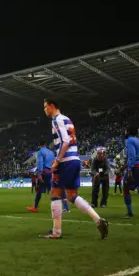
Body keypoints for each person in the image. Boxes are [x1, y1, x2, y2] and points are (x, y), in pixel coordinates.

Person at [40, 99, 108, 239]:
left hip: (66, 162)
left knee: (55, 193)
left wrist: (57, 160)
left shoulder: (56, 119)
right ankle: (98, 220)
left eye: (46, 107)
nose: (44, 110)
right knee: (71, 195)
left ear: (52, 106)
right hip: (75, 160)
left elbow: (65, 141)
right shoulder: (67, 119)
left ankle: (56, 232)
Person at [27, 141, 70, 213]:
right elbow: (54, 162)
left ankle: (35, 207)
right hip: (51, 172)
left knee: (40, 191)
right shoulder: (51, 152)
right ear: (45, 145)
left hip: (44, 173)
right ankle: (65, 207)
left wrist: (40, 174)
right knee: (53, 190)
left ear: (40, 145)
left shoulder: (40, 152)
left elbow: (40, 163)